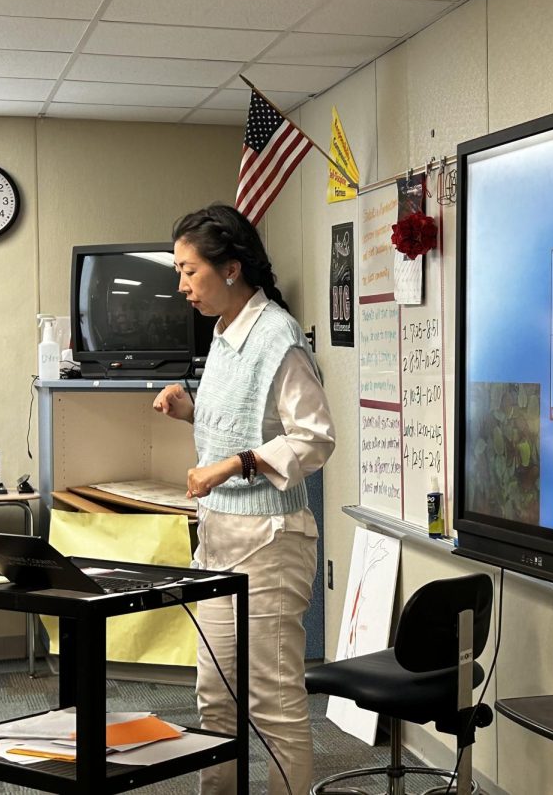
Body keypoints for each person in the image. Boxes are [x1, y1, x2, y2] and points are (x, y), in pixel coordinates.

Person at [153, 203, 335, 795]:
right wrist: (191, 412)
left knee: (273, 701)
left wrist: (235, 464)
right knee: (216, 698)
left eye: (189, 271)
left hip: (270, 545)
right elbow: (241, 424)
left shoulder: (278, 333)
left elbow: (313, 437)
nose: (182, 286)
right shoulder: (225, 332)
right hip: (220, 538)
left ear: (230, 268)